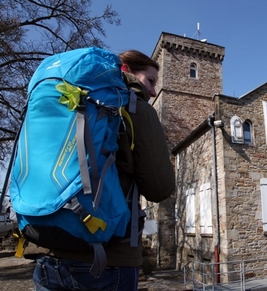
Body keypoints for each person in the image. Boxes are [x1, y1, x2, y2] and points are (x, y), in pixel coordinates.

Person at [32, 50, 175, 291]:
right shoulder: (135, 108)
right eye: (150, 80)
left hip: (49, 254)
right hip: (108, 261)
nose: (152, 91)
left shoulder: (66, 103)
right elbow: (160, 189)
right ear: (125, 70)